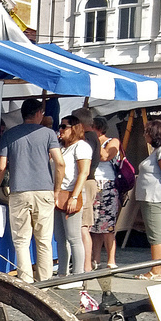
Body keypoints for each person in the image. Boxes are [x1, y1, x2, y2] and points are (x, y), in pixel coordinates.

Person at [0, 98, 65, 284]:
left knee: (21, 240)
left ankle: (25, 282)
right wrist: (56, 189)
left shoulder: (10, 135)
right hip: (44, 190)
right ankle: (45, 282)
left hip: (19, 191)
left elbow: (2, 166)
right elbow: (59, 162)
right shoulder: (49, 134)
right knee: (43, 240)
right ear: (37, 113)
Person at [135, 119, 161, 281]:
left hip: (154, 197)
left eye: (147, 132)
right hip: (152, 196)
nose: (145, 135)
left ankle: (155, 270)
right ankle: (159, 268)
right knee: (158, 233)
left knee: (155, 235)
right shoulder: (159, 151)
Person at [54, 116, 92, 283]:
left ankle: (77, 275)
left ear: (74, 128)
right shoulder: (62, 148)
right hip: (57, 192)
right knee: (60, 236)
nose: (60, 130)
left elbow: (84, 172)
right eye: (60, 126)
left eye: (64, 127)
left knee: (73, 236)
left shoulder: (81, 146)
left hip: (71, 192)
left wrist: (74, 196)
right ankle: (63, 272)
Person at [90, 117, 120, 271]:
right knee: (93, 226)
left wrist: (95, 140)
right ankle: (95, 259)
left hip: (107, 184)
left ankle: (111, 260)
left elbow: (105, 156)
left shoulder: (112, 141)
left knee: (107, 226)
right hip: (92, 184)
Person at [73, 108, 101, 272]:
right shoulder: (93, 137)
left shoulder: (87, 139)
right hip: (88, 181)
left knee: (83, 226)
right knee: (83, 226)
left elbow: (84, 168)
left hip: (85, 182)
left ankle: (86, 266)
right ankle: (85, 264)